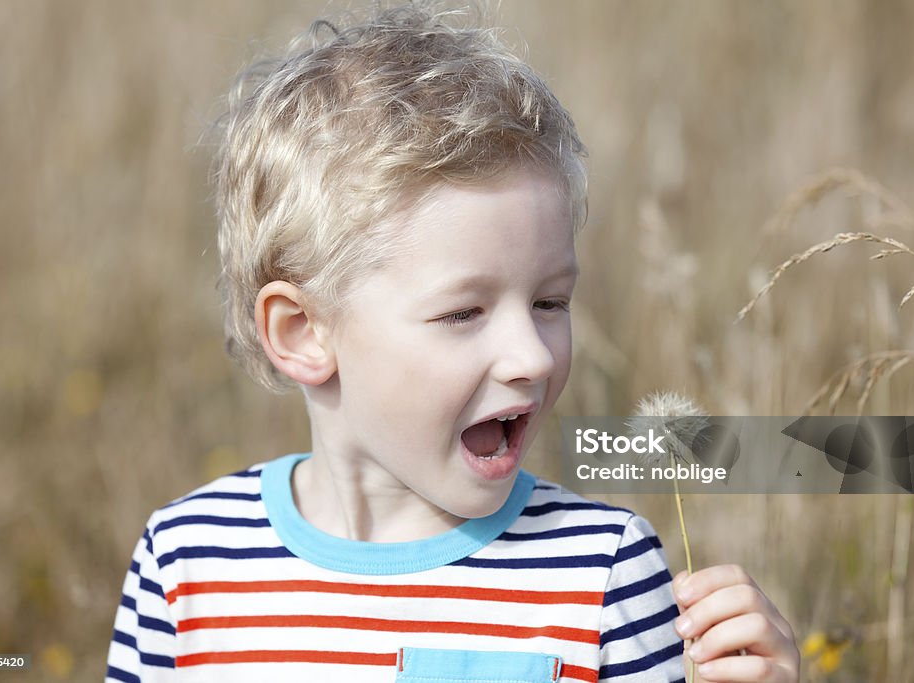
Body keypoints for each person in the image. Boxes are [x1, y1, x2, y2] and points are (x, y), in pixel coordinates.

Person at [106, 4, 799, 681]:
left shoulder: (602, 573)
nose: (532, 356)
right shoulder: (187, 567)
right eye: (465, 312)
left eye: (550, 301)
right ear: (303, 332)